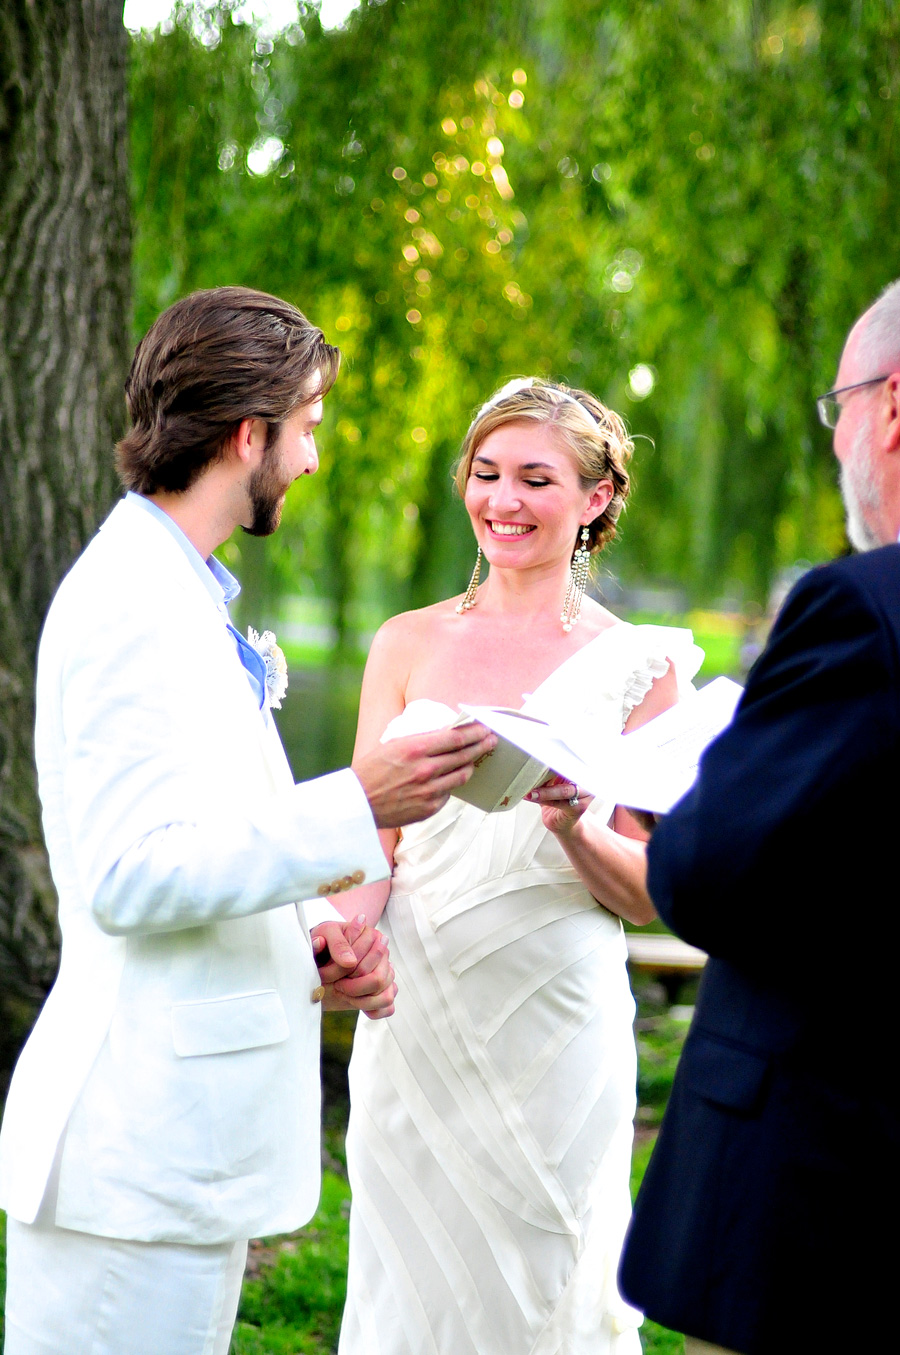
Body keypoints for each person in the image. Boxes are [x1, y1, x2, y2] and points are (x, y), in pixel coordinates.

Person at [0, 286, 495, 1355]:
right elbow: (127, 877)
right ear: (247, 433)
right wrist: (358, 802)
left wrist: (308, 927)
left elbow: (198, 835)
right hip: (137, 1160)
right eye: (307, 428)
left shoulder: (179, 591)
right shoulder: (131, 600)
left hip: (179, 1156)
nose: (312, 460)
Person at [332, 378, 703, 1355]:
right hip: (415, 1007)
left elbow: (655, 888)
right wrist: (351, 934)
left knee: (548, 1279)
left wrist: (577, 827)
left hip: (556, 1018)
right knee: (410, 1282)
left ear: (595, 498)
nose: (503, 499)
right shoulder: (405, 641)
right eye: (486, 472)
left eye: (536, 477)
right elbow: (374, 835)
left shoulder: (642, 664)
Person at [618, 284, 900, 1354]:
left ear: (892, 405)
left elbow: (713, 869)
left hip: (827, 1186)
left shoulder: (864, 606)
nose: (837, 444)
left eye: (838, 408)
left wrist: (680, 804)